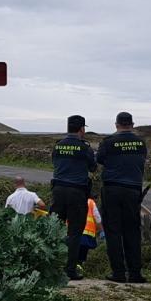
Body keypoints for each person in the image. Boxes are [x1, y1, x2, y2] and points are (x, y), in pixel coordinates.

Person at [96, 111, 148, 283]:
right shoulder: (140, 143)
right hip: (133, 190)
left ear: (117, 125)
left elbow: (100, 160)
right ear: (132, 125)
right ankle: (135, 273)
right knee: (132, 231)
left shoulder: (108, 142)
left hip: (112, 190)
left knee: (113, 232)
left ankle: (118, 272)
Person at [50, 115, 97, 280]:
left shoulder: (58, 146)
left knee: (53, 229)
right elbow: (93, 166)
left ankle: (50, 266)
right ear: (82, 129)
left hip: (58, 191)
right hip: (77, 192)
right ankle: (70, 270)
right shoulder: (85, 148)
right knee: (75, 232)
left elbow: (54, 163)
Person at [76, 197, 104, 273]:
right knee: (83, 251)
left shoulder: (73, 199)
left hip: (75, 232)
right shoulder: (91, 202)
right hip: (88, 233)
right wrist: (101, 230)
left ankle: (75, 266)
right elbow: (97, 218)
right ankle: (79, 265)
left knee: (75, 250)